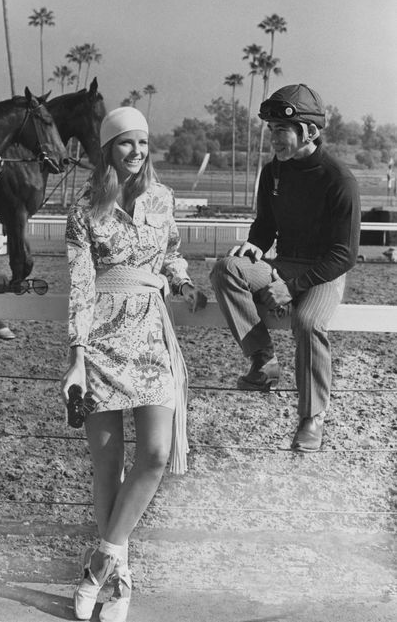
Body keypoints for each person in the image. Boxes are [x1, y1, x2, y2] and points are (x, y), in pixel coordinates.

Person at [60, 106, 206, 621]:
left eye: (143, 143)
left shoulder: (164, 200)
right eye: (126, 143)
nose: (137, 152)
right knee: (106, 467)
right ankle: (120, 582)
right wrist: (76, 358)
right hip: (101, 339)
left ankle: (100, 560)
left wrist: (183, 280)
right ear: (107, 149)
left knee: (156, 454)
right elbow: (79, 285)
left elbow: (170, 254)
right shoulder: (83, 210)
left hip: (151, 336)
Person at [210, 84, 361, 453]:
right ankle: (263, 361)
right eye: (271, 130)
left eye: (282, 130)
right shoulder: (273, 171)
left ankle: (312, 417)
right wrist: (254, 246)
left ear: (308, 132)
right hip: (284, 263)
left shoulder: (340, 180)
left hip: (325, 271)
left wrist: (292, 288)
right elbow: (265, 226)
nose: (274, 138)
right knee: (226, 268)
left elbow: (345, 254)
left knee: (308, 323)